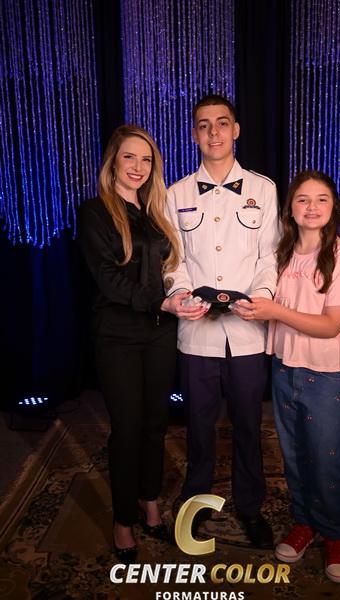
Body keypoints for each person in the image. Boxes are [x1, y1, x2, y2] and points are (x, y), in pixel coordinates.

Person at [232, 170, 340, 583]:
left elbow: (331, 325)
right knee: (293, 454)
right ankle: (304, 522)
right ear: (289, 208)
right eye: (303, 199)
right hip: (285, 367)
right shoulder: (281, 254)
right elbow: (266, 301)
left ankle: (335, 534)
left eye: (321, 199)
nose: (311, 207)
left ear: (333, 207)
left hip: (327, 375)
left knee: (325, 458)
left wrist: (275, 312)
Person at [163, 94, 280, 548]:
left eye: (222, 123)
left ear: (236, 130)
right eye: (204, 125)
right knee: (198, 425)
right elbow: (173, 260)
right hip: (196, 332)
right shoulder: (175, 193)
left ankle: (250, 507)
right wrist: (179, 294)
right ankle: (196, 504)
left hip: (247, 330)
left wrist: (263, 297)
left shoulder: (263, 189)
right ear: (195, 134)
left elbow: (270, 256)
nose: (214, 132)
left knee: (249, 424)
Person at [78, 124, 191, 563]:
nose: (138, 167)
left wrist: (180, 296)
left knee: (155, 425)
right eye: (129, 157)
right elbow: (107, 279)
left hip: (160, 331)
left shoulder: (157, 212)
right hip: (118, 336)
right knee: (127, 430)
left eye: (146, 160)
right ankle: (123, 520)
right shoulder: (95, 212)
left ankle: (150, 502)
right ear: (113, 161)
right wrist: (161, 301)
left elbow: (169, 269)